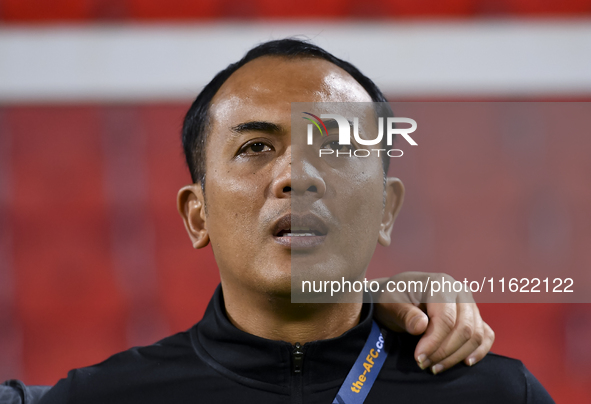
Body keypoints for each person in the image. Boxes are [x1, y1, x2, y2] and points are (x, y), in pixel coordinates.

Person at [34, 39, 553, 404]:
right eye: (255, 146)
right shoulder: (101, 396)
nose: (297, 176)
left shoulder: (499, 394)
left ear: (385, 210)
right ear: (198, 216)